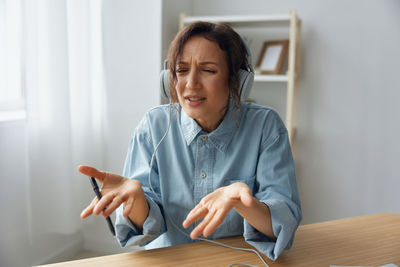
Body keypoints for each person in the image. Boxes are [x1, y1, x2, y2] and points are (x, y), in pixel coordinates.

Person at [78, 21, 302, 261]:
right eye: (182, 70)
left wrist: (242, 203)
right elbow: (142, 231)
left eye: (208, 70)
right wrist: (137, 200)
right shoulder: (153, 126)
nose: (191, 84)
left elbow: (284, 224)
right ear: (169, 78)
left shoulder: (266, 127)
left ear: (237, 80)